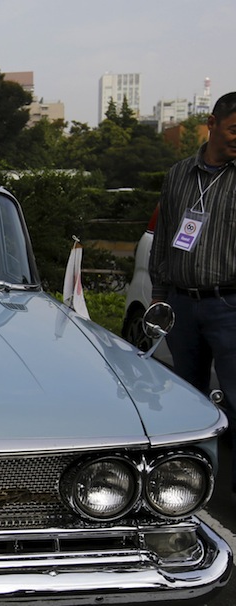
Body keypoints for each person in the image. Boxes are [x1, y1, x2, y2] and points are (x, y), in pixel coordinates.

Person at [148, 91, 236, 492]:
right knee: (187, 399)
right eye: (234, 129)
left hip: (229, 306)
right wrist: (160, 294)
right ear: (212, 124)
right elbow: (166, 237)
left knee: (234, 400)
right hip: (182, 303)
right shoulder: (179, 173)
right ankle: (186, 485)